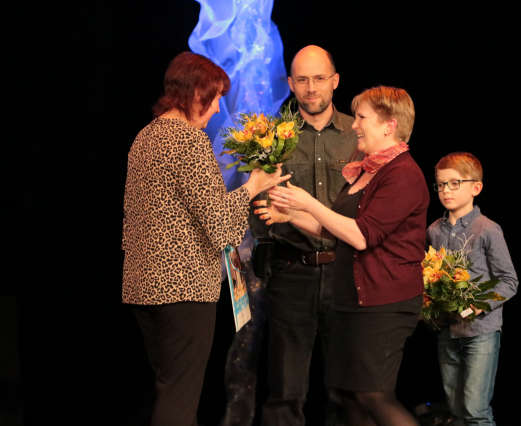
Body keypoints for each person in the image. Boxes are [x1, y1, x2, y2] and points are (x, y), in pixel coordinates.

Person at [121, 51, 289, 426]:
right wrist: (253, 186)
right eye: (213, 99)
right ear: (195, 93)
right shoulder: (189, 141)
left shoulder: (146, 137)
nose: (216, 110)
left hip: (143, 288)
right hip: (182, 290)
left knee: (171, 390)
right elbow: (221, 226)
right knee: (179, 401)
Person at [256, 86, 428, 425]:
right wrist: (291, 215)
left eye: (362, 118)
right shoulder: (367, 170)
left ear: (389, 126)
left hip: (383, 303)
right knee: (349, 396)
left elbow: (362, 236)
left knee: (373, 396)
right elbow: (338, 230)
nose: (354, 125)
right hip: (352, 299)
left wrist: (309, 203)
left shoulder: (403, 174)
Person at [249, 44, 359, 426]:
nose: (311, 88)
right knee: (285, 391)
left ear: (335, 81)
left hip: (348, 273)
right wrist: (275, 214)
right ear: (291, 84)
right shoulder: (270, 139)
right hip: (291, 271)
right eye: (302, 80)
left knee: (348, 391)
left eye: (319, 79)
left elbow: (374, 210)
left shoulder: (358, 135)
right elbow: (259, 212)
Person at [426, 152, 519, 426]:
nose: (446, 190)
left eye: (455, 183)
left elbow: (509, 280)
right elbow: (433, 274)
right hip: (448, 330)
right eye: (441, 184)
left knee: (475, 409)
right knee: (456, 409)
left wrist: (480, 304)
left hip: (481, 332)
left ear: (476, 187)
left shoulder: (487, 229)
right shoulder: (434, 231)